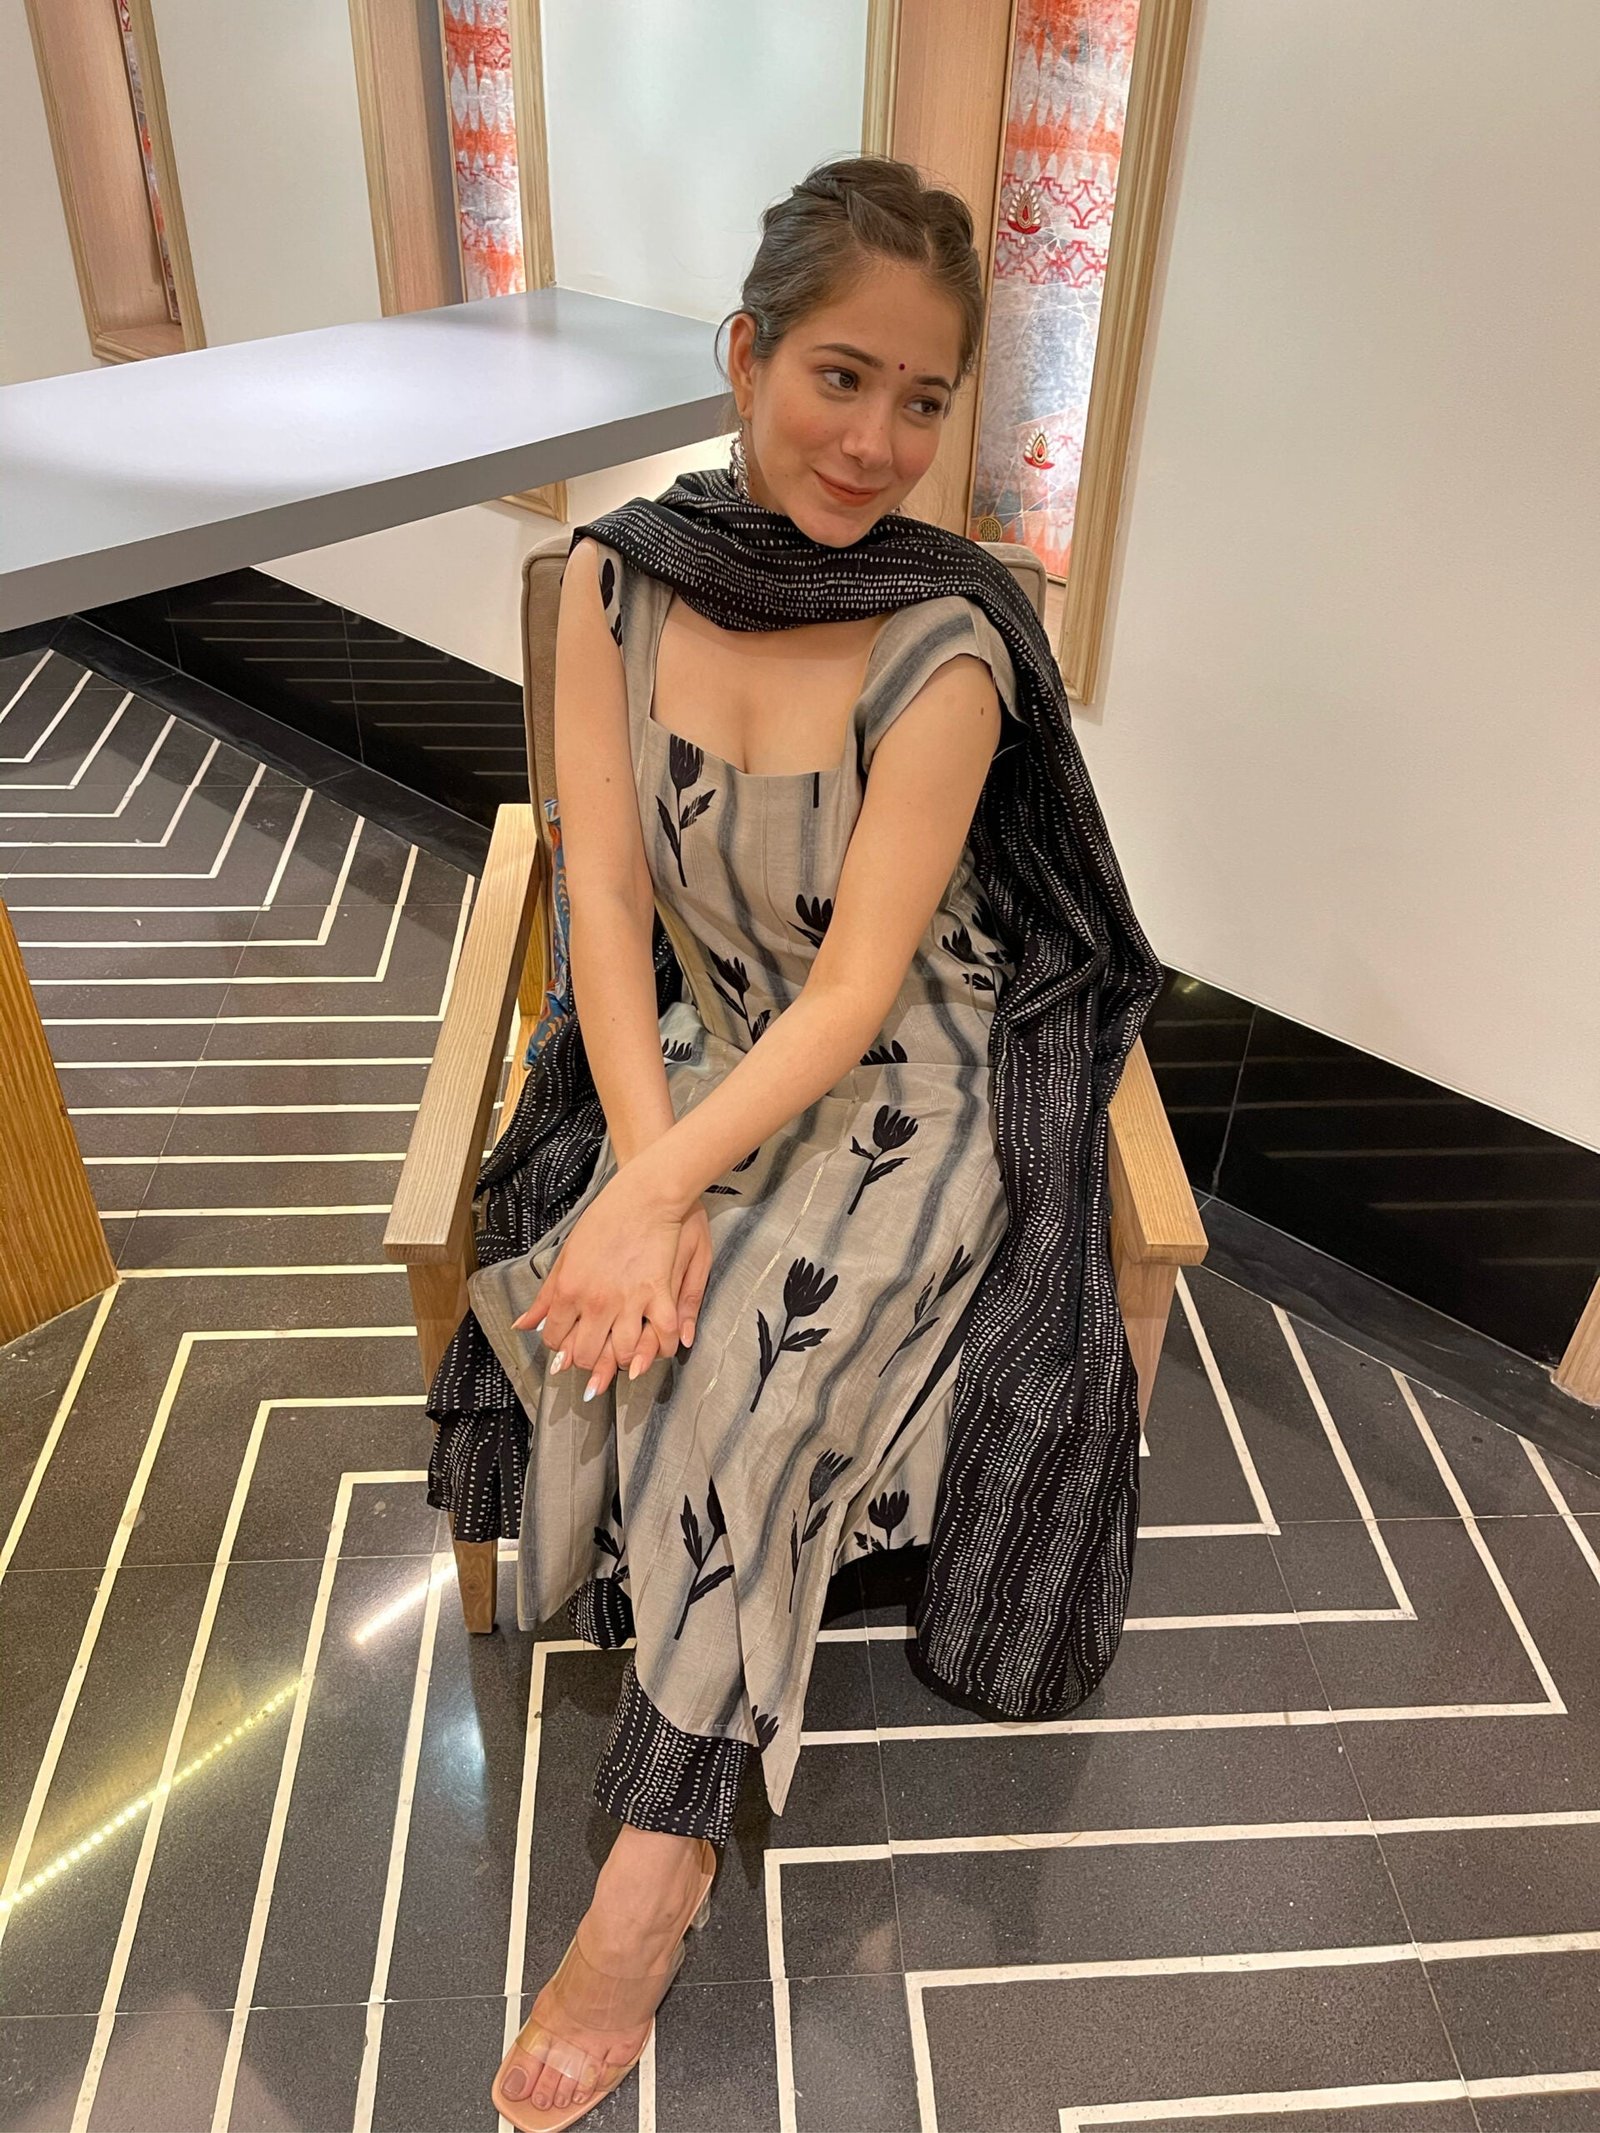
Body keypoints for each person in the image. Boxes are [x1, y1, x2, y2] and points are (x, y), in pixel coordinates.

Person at [432, 154, 1162, 2130]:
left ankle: (651, 1874)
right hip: (707, 1040)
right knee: (638, 1307)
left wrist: (662, 1187)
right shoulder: (617, 578)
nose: (876, 441)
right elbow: (602, 902)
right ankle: (683, 1721)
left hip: (913, 1078)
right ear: (746, 355)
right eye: (841, 377)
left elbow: (853, 1001)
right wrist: (643, 1167)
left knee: (747, 1378)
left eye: (923, 401)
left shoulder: (948, 640)